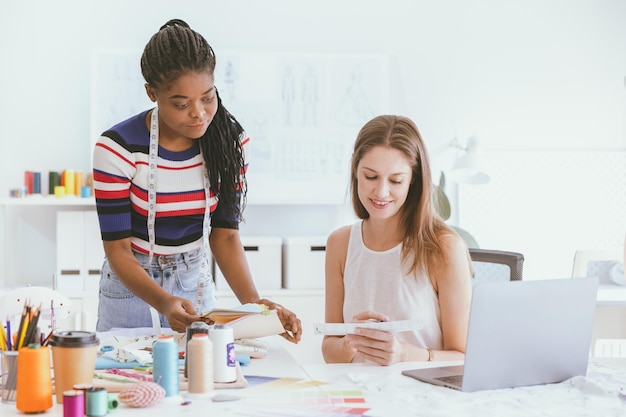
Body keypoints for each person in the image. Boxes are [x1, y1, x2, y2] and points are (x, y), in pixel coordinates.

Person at [92, 19, 301, 343]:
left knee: (203, 384)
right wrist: (162, 300)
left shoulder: (230, 144)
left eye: (207, 97)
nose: (199, 113)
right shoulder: (117, 149)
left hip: (195, 283)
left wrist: (257, 306)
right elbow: (118, 249)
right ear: (151, 93)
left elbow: (225, 237)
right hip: (130, 288)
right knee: (128, 382)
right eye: (180, 103)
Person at [322, 115, 472, 365]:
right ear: (355, 171)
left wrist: (405, 355)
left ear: (413, 179)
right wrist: (351, 341)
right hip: (359, 394)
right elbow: (329, 349)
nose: (381, 192)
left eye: (395, 180)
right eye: (370, 177)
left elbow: (464, 358)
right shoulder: (340, 244)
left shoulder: (443, 247)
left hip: (421, 398)